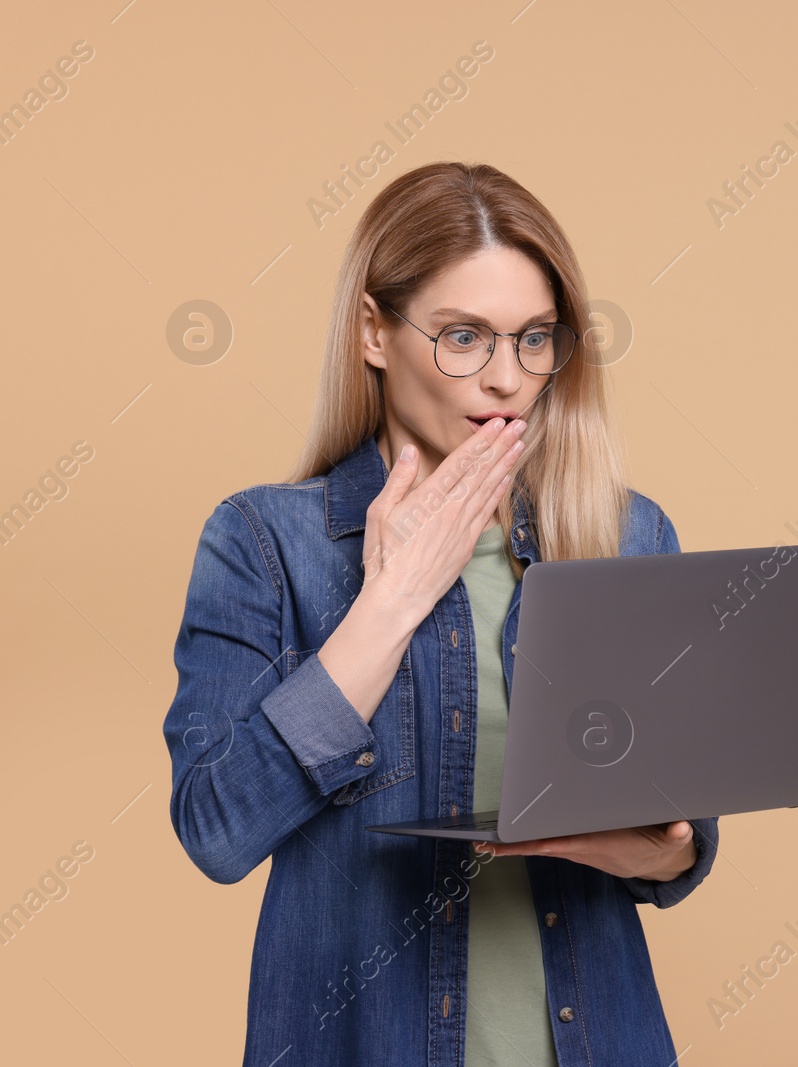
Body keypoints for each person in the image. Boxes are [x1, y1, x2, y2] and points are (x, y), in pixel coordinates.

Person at [162, 161, 718, 1067]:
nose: (506, 377)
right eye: (464, 336)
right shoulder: (262, 541)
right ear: (374, 331)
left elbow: (684, 844)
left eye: (534, 339)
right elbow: (218, 828)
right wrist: (392, 601)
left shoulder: (625, 533)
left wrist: (653, 852)